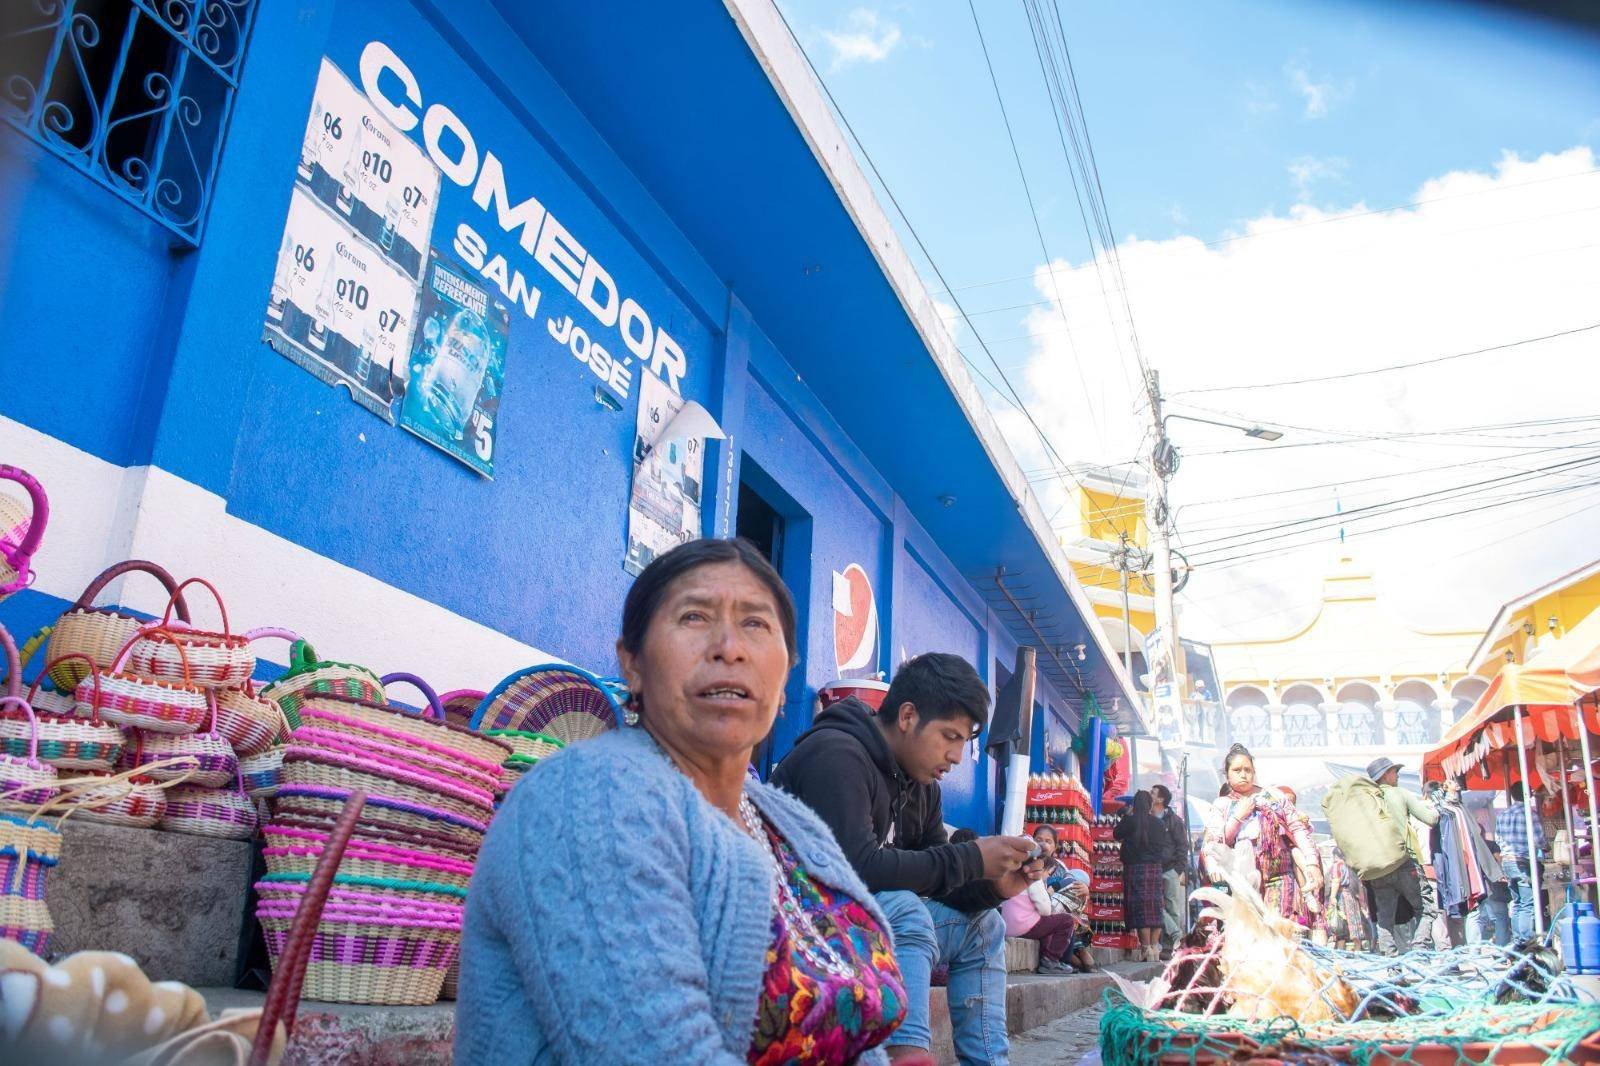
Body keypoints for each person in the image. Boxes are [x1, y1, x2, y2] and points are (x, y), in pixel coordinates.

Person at [456, 538, 908, 1065]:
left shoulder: (788, 824)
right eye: (694, 617)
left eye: (756, 624)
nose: (729, 648)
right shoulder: (585, 797)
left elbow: (862, 1030)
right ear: (633, 664)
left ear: (785, 679)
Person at [772, 653, 1041, 1066]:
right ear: (908, 716)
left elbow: (938, 879)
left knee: (985, 925)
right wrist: (970, 858)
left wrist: (994, 888)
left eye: (963, 742)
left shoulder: (922, 786)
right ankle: (908, 1055)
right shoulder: (837, 754)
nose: (956, 756)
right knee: (905, 907)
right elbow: (855, 869)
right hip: (797, 925)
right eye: (949, 736)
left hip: (864, 927)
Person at [1201, 744, 1317, 930]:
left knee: (1279, 930)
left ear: (1254, 772)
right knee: (1252, 933)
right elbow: (1215, 843)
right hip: (1243, 881)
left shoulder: (1274, 796)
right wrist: (1238, 817)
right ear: (1227, 775)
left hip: (1280, 876)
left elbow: (1297, 829)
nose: (1243, 774)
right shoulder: (1221, 805)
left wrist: (1312, 864)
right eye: (1237, 770)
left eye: (1248, 770)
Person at [1366, 756, 1441, 956]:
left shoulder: (1366, 798)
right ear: (1385, 775)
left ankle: (1391, 963)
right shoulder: (1400, 793)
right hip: (1405, 862)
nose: (1397, 775)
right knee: (1426, 908)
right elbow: (1430, 819)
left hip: (1378, 867)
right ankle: (1419, 952)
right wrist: (1437, 807)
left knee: (1385, 918)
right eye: (1394, 771)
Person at [1002, 827, 1079, 975]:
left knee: (1046, 925)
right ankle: (1050, 961)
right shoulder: (1033, 875)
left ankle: (1047, 958)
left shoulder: (1009, 871)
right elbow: (1045, 910)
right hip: (1023, 926)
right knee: (1066, 921)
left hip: (1008, 926)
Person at [1115, 790, 1166, 962]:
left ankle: (1145, 948)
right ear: (1150, 805)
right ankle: (1154, 947)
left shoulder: (1130, 821)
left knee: (1140, 907)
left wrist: (1126, 816)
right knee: (1155, 906)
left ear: (1134, 805)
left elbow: (1116, 834)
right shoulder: (1159, 823)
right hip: (1154, 869)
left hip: (1134, 868)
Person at [1496, 779, 1545, 940]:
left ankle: (1517, 941)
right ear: (1527, 794)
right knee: (1527, 903)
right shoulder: (1530, 814)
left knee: (1517, 902)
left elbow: (1498, 839)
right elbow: (1539, 840)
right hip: (1523, 861)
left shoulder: (1503, 814)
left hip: (1507, 862)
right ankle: (1525, 941)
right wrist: (1545, 847)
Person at [1150, 784, 1188, 958]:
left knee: (1172, 906)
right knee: (1154, 904)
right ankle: (1177, 935)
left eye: (1153, 793)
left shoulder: (1174, 820)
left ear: (1161, 799)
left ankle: (1169, 947)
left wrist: (1178, 869)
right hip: (1152, 869)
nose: (1150, 795)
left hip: (1170, 869)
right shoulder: (1148, 818)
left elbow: (1182, 846)